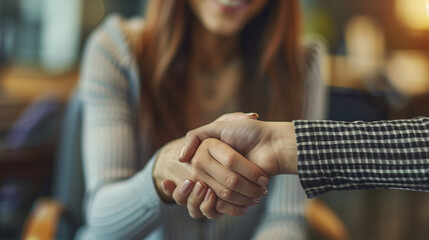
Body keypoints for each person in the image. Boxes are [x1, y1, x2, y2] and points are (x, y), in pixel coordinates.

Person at [78, 0, 326, 239]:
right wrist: (158, 174)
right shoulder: (116, 52)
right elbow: (101, 225)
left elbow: (285, 219)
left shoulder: (301, 66)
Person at [169, 113, 429, 201]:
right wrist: (161, 168)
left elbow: (288, 215)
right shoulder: (129, 48)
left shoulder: (302, 59)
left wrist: (278, 144)